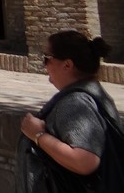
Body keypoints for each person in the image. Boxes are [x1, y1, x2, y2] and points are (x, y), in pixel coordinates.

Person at [16, 30, 121, 192]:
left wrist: (38, 135)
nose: (44, 65)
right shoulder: (95, 93)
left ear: (67, 65)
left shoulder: (75, 103)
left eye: (47, 59)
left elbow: (85, 162)